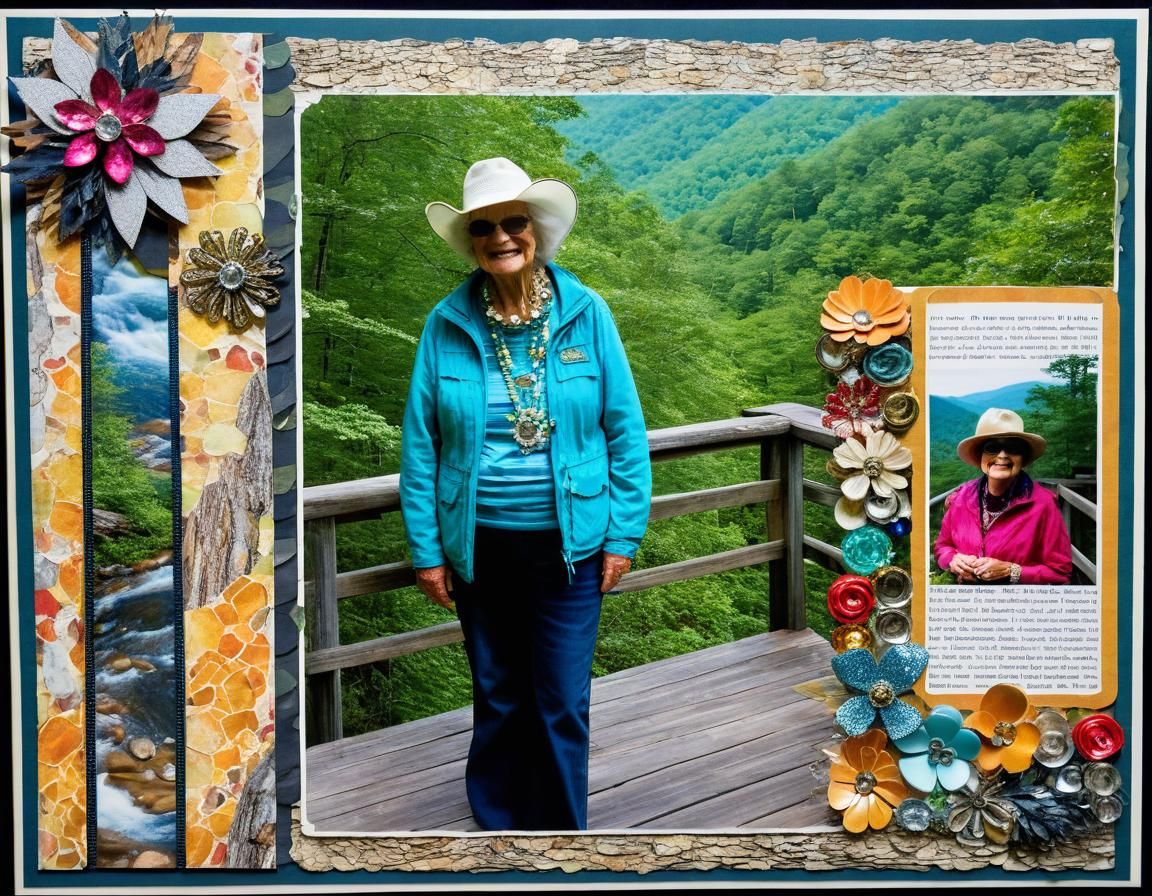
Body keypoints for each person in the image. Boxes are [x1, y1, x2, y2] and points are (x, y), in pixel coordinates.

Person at [398, 157, 652, 830]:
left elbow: (625, 430)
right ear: (472, 240)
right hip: (478, 546)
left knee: (562, 696)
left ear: (535, 230)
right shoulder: (445, 324)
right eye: (485, 227)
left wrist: (624, 535)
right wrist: (426, 551)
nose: (501, 237)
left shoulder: (586, 313)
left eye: (514, 222)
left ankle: (561, 828)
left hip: (570, 547)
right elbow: (421, 447)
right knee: (500, 691)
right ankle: (498, 821)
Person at [934, 408, 1072, 585]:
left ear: (1023, 457)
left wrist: (1012, 571)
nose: (1002, 455)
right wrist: (952, 560)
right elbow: (942, 547)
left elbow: (1061, 574)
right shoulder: (961, 498)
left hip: (1013, 608)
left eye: (1013, 448)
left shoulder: (1043, 505)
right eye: (992, 448)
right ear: (980, 455)